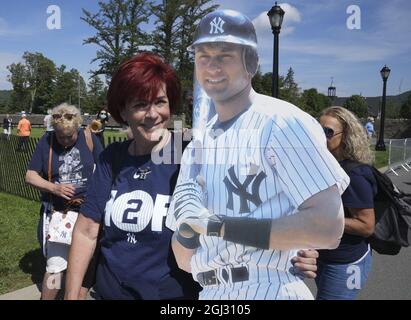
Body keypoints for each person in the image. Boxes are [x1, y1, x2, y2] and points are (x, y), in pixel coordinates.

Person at [166, 9, 350, 300]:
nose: (212, 66)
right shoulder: (195, 151)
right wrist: (189, 227)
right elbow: (184, 261)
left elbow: (327, 227)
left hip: (268, 286)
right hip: (209, 291)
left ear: (250, 63)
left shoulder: (283, 123)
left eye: (225, 55)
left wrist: (214, 225)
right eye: (204, 56)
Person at [65, 52, 201, 300]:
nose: (152, 114)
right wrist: (72, 296)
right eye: (140, 104)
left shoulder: (191, 155)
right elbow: (86, 231)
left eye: (160, 102)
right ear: (123, 111)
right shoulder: (112, 158)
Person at [25, 103, 103, 300]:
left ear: (77, 128)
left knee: (85, 263)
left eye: (70, 136)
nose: (66, 141)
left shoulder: (88, 138)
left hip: (86, 212)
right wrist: (54, 188)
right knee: (56, 265)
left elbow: (104, 170)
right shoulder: (47, 141)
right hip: (59, 213)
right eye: (62, 136)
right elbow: (31, 176)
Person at [317, 106, 377, 300]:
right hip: (326, 257)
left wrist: (321, 218)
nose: (321, 136)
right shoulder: (328, 167)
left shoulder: (353, 174)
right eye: (318, 130)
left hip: (347, 263)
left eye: (328, 132)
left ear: (345, 136)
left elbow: (366, 225)